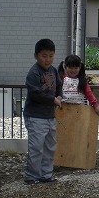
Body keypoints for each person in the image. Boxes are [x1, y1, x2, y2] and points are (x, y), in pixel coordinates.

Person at [23, 38, 62, 184]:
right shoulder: (33, 73)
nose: (48, 59)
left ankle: (46, 175)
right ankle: (32, 176)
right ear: (36, 56)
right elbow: (36, 94)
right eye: (44, 56)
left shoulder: (53, 71)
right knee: (36, 148)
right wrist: (53, 100)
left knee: (49, 147)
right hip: (35, 116)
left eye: (51, 56)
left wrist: (59, 96)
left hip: (49, 116)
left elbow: (59, 86)